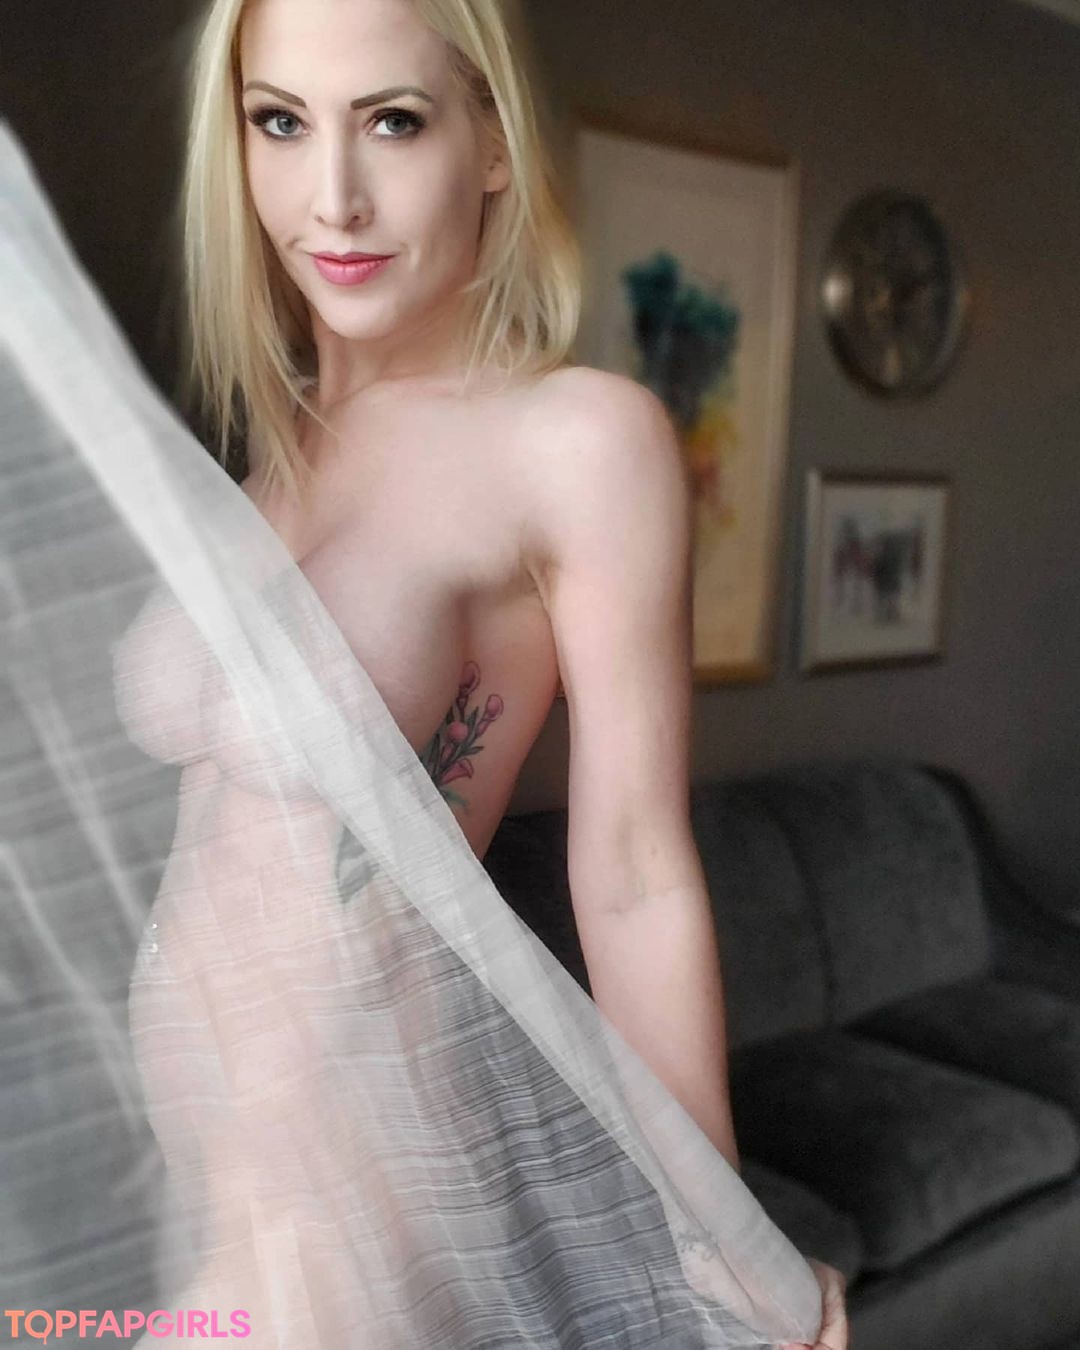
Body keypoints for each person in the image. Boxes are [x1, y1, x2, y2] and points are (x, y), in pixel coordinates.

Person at [176, 0, 849, 1344]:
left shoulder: (574, 441)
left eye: (394, 121)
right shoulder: (268, 456)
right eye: (280, 122)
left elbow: (634, 870)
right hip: (184, 1183)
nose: (333, 196)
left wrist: (719, 1228)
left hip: (358, 1195)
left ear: (491, 143)